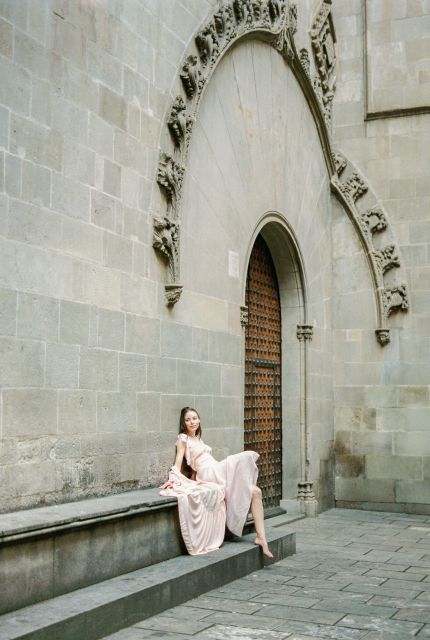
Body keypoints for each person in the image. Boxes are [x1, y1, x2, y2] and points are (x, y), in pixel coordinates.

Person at [161, 406, 273, 558]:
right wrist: (174, 478)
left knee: (256, 492)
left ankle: (261, 538)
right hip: (208, 473)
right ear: (184, 423)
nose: (192, 422)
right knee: (242, 458)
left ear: (199, 420)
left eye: (194, 418)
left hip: (215, 469)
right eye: (188, 420)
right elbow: (178, 461)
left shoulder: (198, 439)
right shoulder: (183, 439)